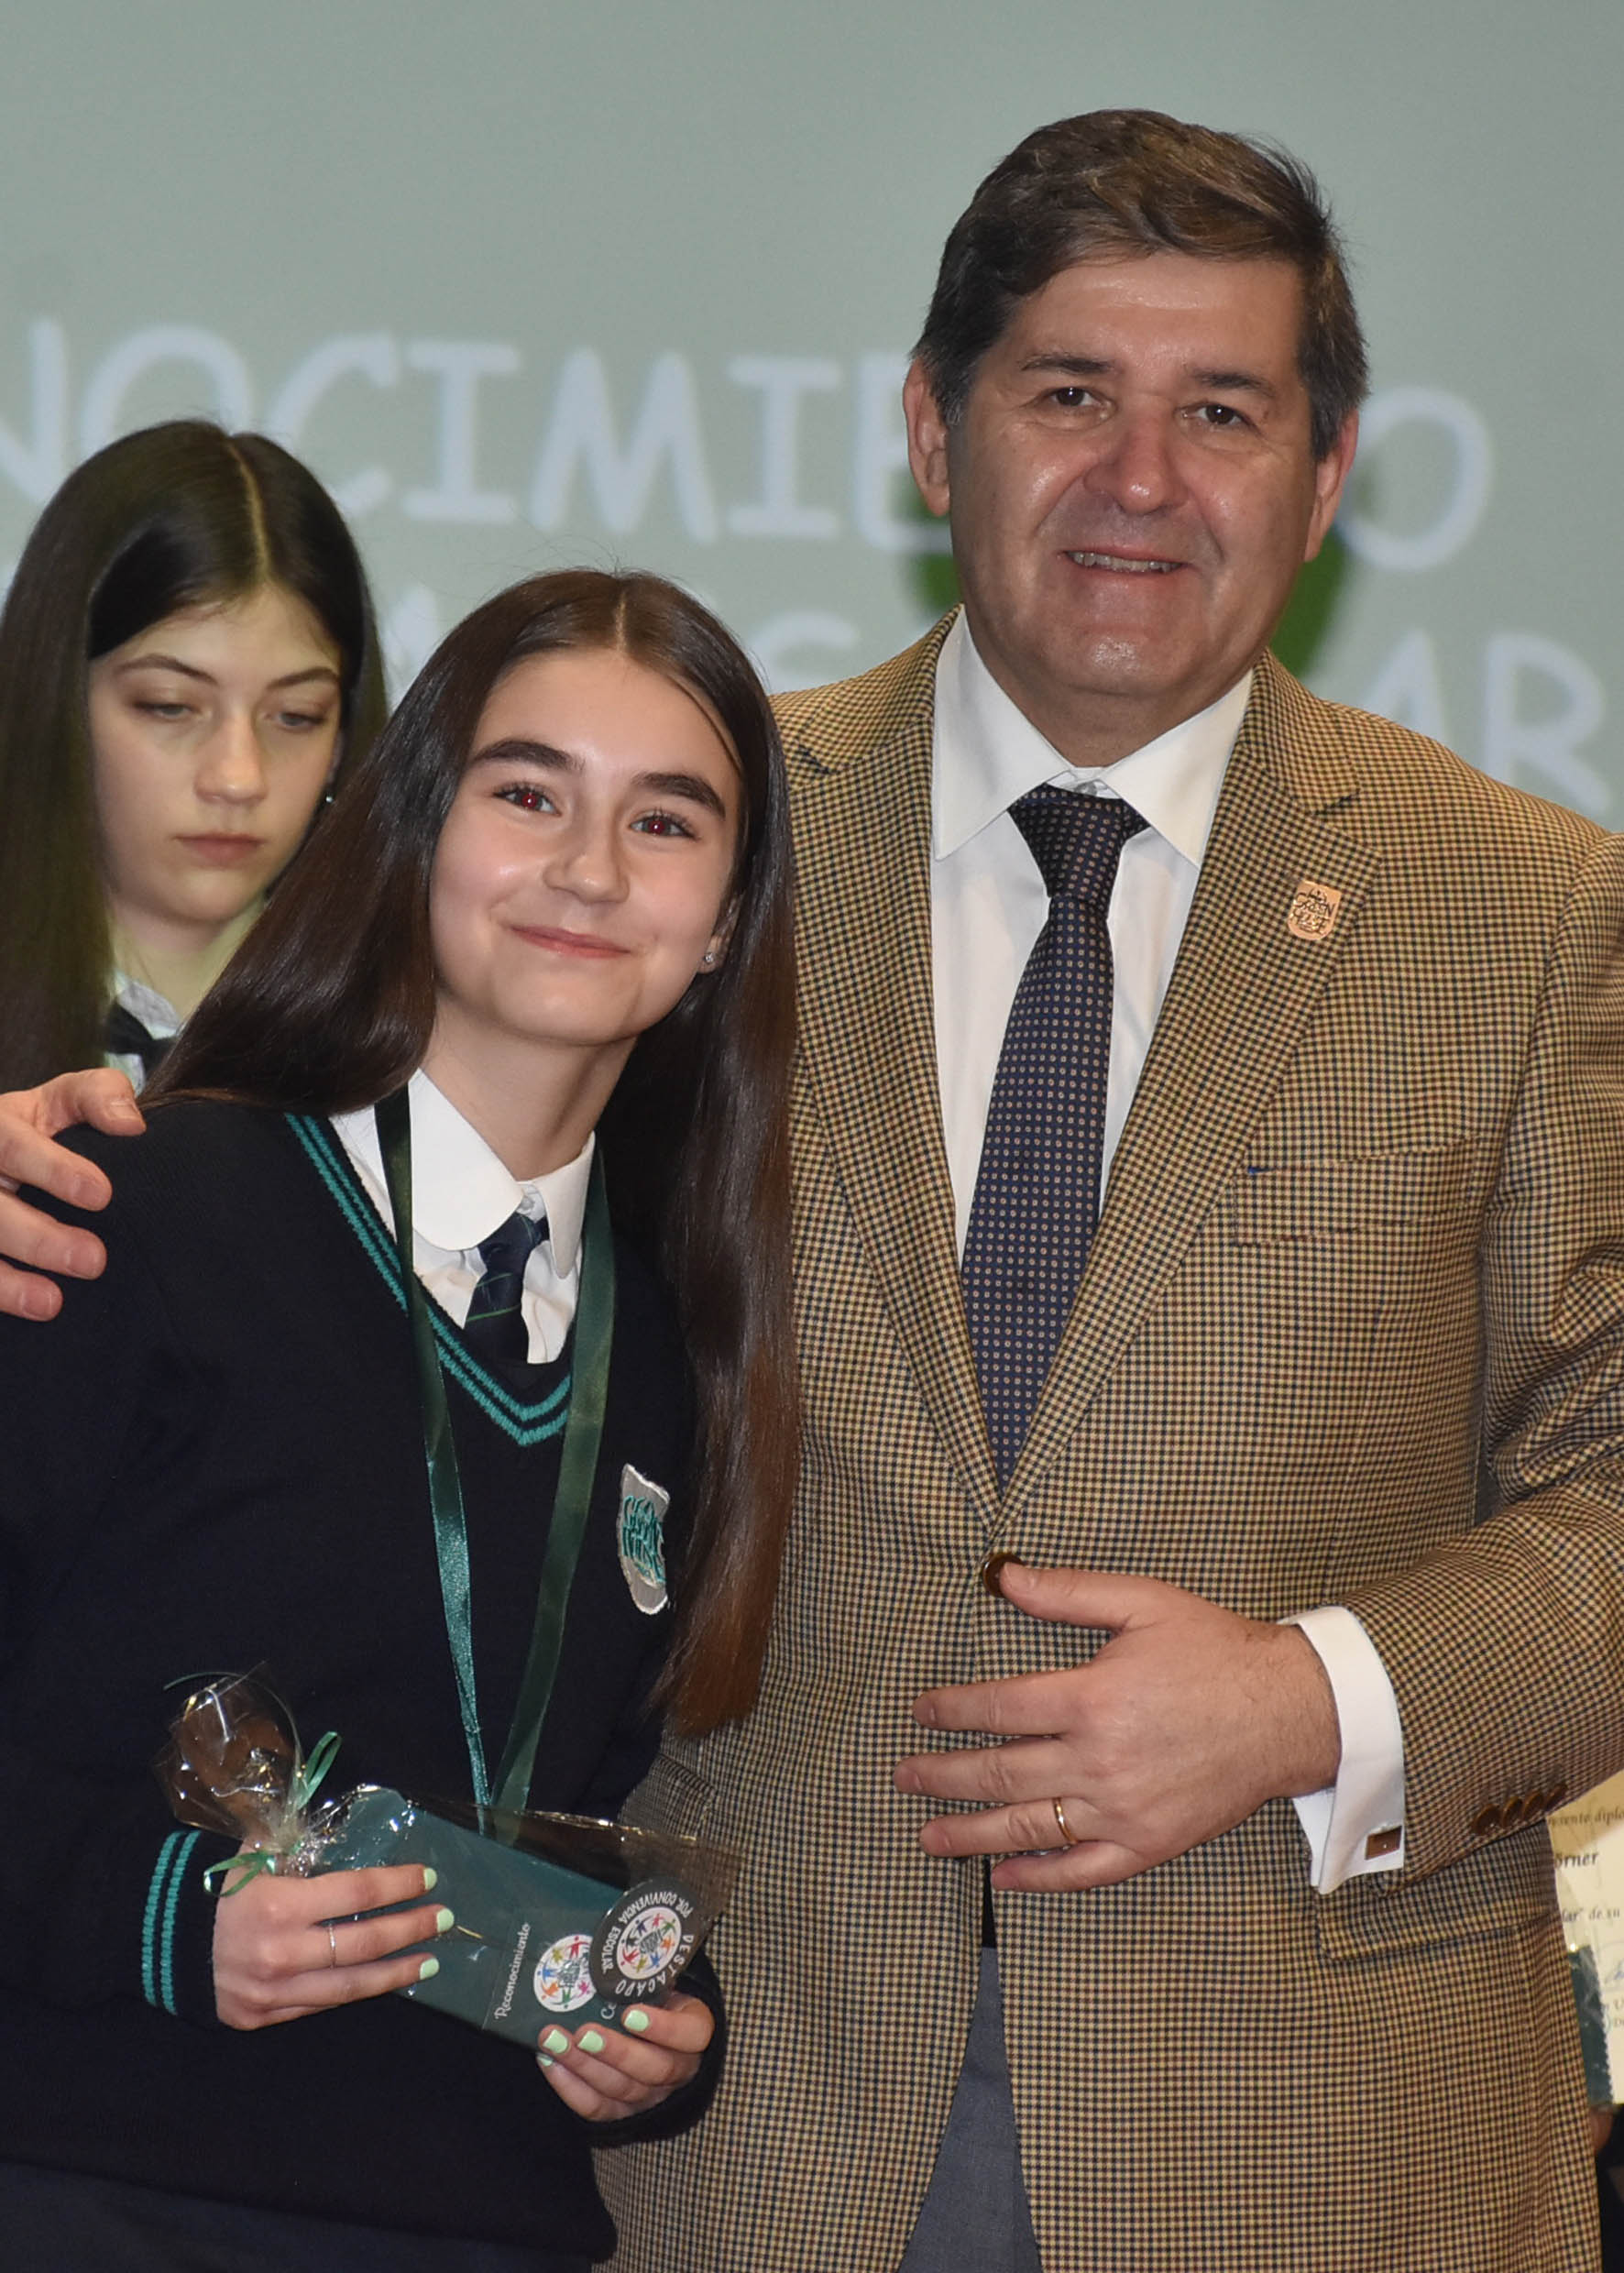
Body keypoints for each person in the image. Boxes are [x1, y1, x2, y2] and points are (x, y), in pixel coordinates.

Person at [3, 111, 1621, 2273]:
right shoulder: (700, 837)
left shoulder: (1529, 911)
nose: (1140, 476)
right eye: (1070, 392)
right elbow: (394, 1187)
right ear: (930, 434)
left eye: (1223, 411)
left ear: (1326, 477)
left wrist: (1308, 1700)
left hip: (1311, 2123)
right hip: (744, 2135)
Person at [0, 568, 796, 2269]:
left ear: (727, 917)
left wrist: (656, 2021)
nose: (591, 871)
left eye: (665, 822)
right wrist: (160, 1920)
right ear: (416, 831)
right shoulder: (125, 1211)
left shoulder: (671, 1351)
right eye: (529, 796)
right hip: (103, 2191)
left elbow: (568, 1801)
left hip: (482, 2220)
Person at [0, 418, 388, 1092]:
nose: (238, 778)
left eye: (296, 717)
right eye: (170, 706)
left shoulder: (410, 1042)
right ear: (59, 707)